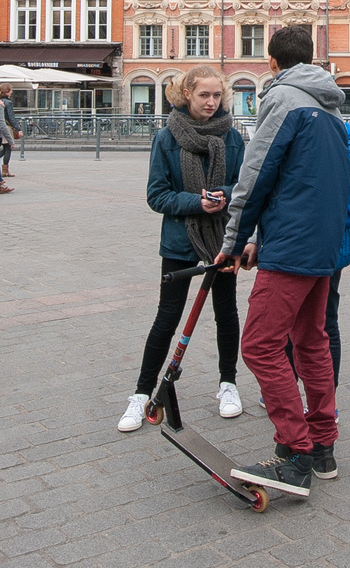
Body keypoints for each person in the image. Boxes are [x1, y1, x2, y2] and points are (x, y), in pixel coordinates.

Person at [218, 26, 350, 499]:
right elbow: (301, 183)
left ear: (272, 63)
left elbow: (255, 175)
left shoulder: (283, 100)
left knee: (258, 345)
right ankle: (323, 445)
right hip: (321, 245)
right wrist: (260, 236)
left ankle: (293, 452)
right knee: (311, 342)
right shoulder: (331, 109)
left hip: (293, 247)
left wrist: (234, 240)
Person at [118, 66, 247, 432]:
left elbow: (243, 187)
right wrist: (195, 202)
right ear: (186, 93)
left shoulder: (233, 138)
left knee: (227, 311)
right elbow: (156, 195)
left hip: (222, 237)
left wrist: (225, 197)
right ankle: (142, 392)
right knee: (168, 315)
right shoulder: (167, 137)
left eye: (217, 95)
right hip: (179, 239)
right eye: (204, 95)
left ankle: (228, 384)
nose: (211, 102)